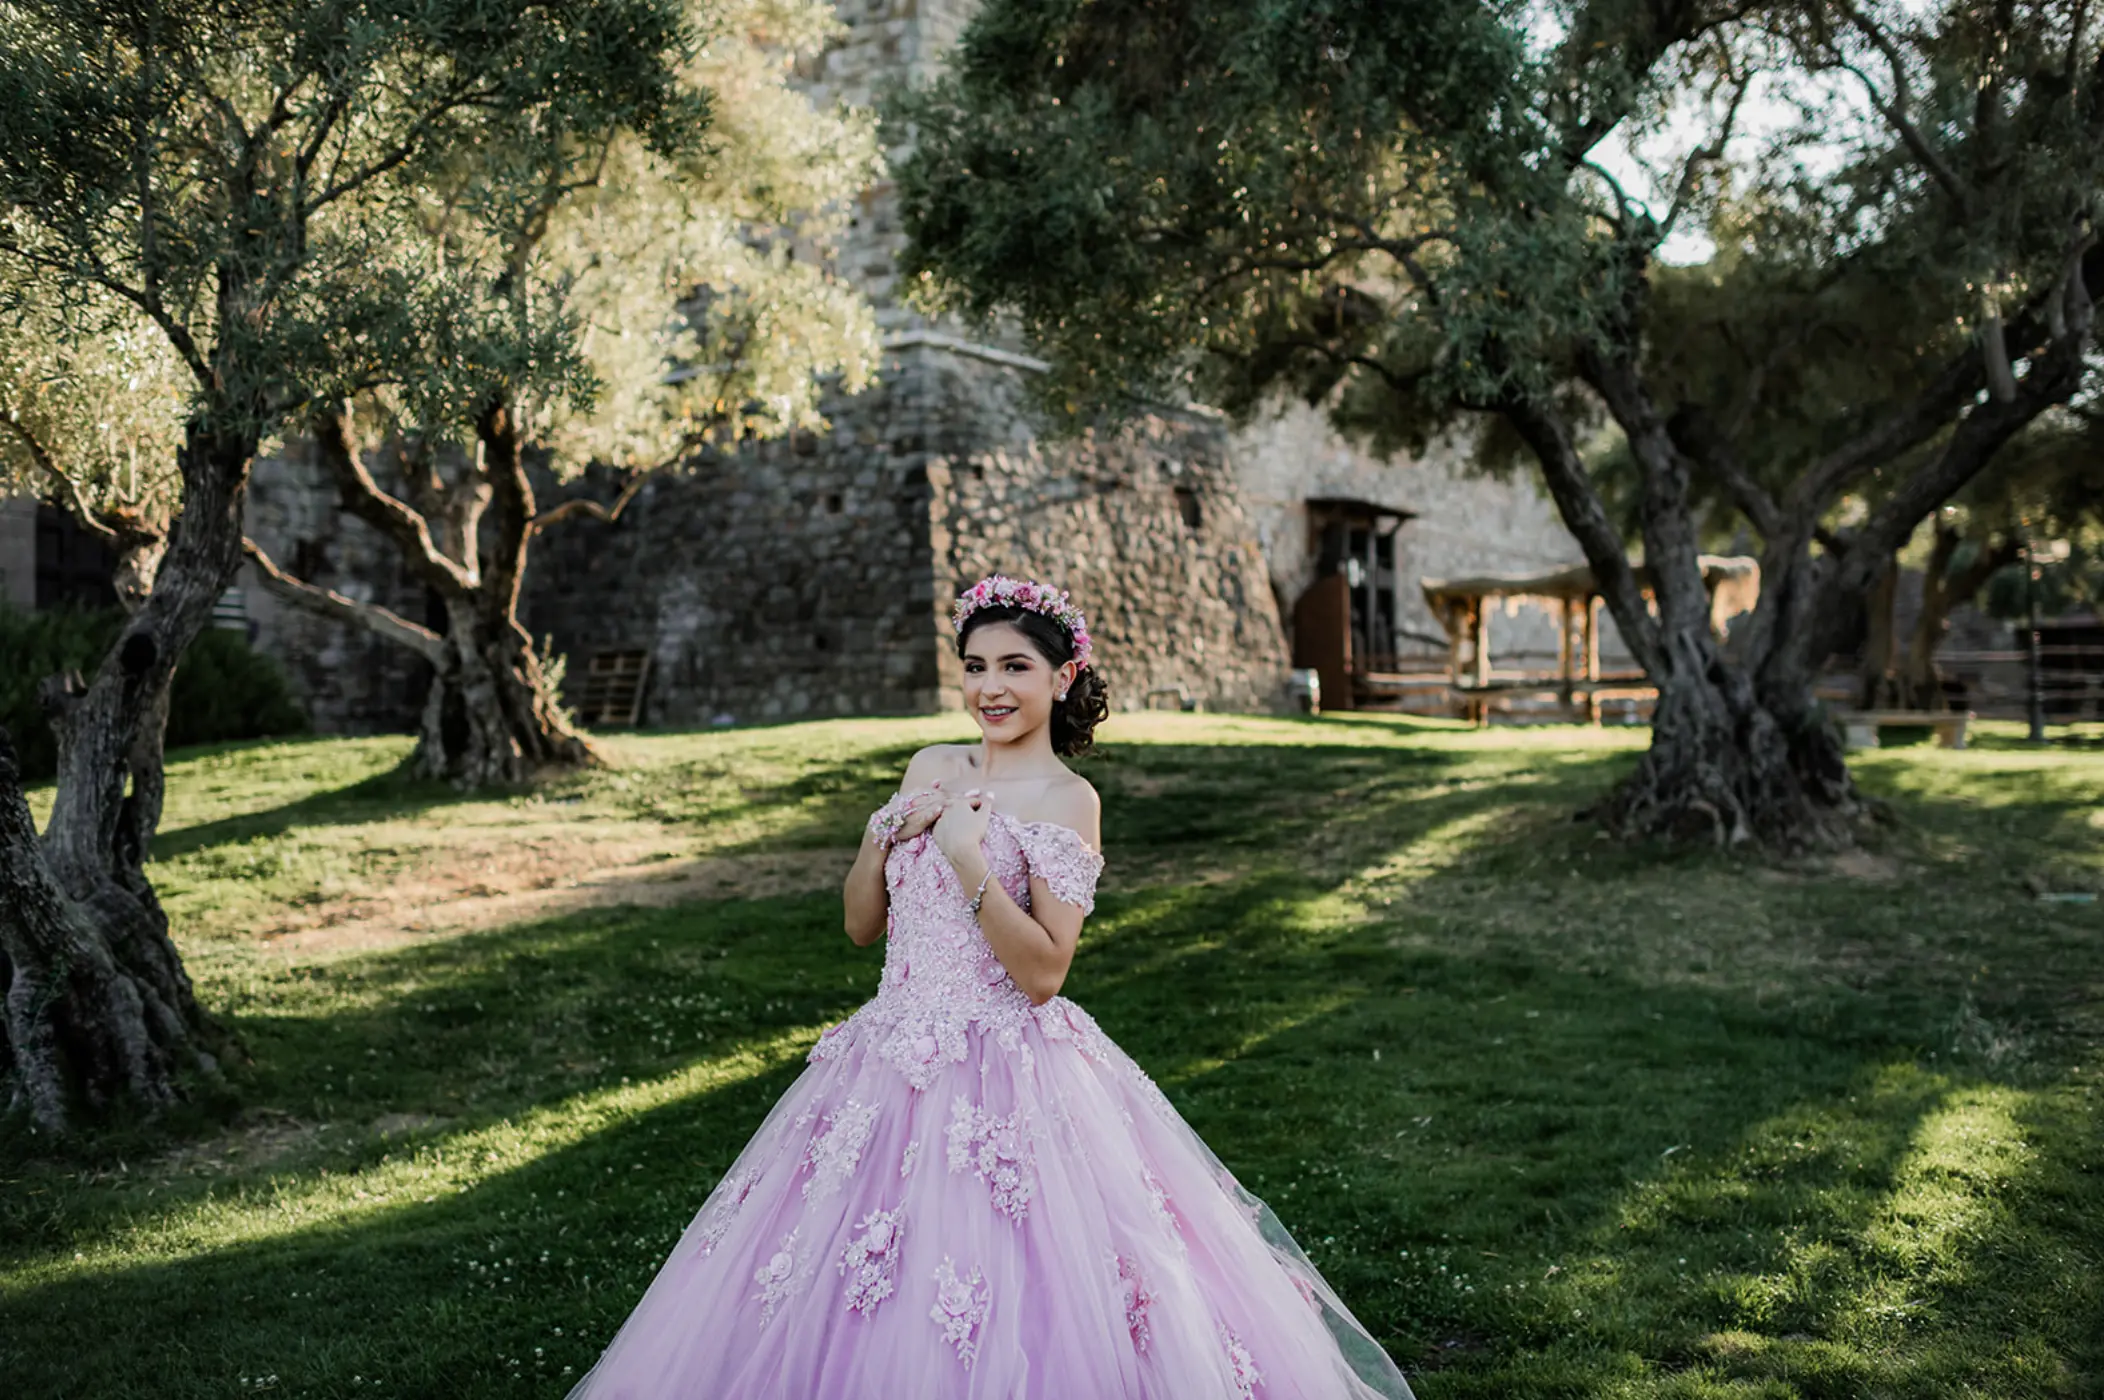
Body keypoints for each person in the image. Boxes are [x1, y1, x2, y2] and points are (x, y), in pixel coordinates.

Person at [568, 575, 1413, 1398]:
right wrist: (877, 845)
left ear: (1063, 676)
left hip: (1009, 1065)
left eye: (1014, 667)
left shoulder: (1066, 799)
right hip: (887, 1056)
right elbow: (863, 927)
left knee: (1005, 1279)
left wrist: (970, 861)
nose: (990, 688)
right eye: (976, 666)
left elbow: (1045, 973)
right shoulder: (931, 764)